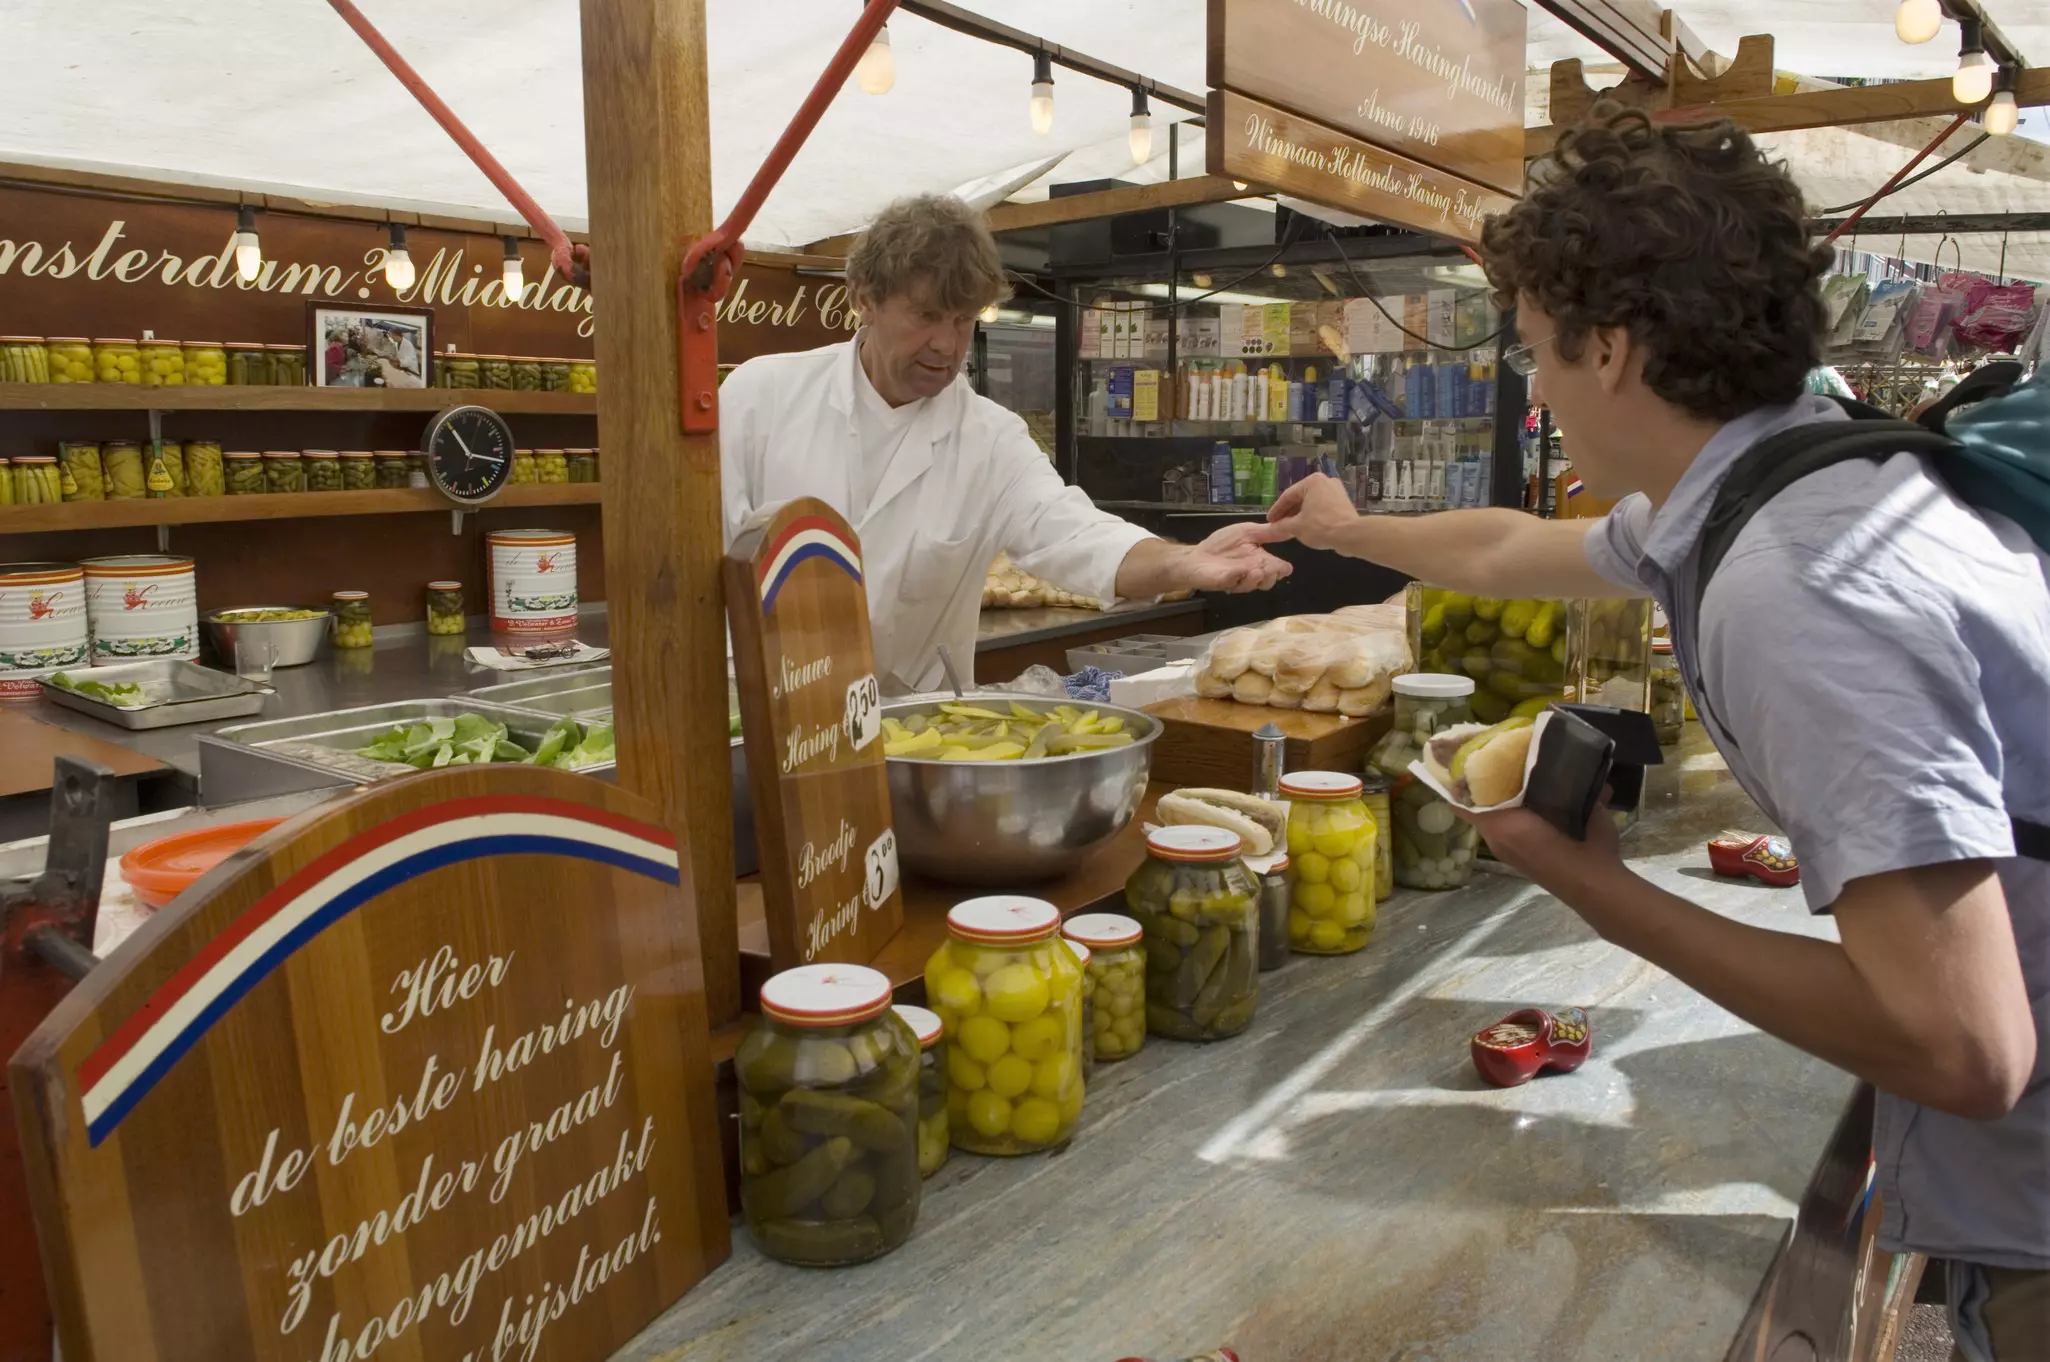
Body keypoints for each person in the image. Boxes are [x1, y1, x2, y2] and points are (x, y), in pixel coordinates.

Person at [1262, 108, 2048, 1358]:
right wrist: (1350, 533)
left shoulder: (1795, 584)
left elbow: (1963, 1048)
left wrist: (1594, 889)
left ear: (1612, 349)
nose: (1536, 386)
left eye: (1535, 351)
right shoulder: (1785, 477)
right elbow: (1517, 548)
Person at [719, 193, 1289, 694]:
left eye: (963, 320)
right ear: (864, 299)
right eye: (927, 315)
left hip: (912, 740)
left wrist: (1187, 561)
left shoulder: (988, 439)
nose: (946, 344)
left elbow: (1076, 536)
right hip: (760, 723)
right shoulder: (761, 397)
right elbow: (700, 565)